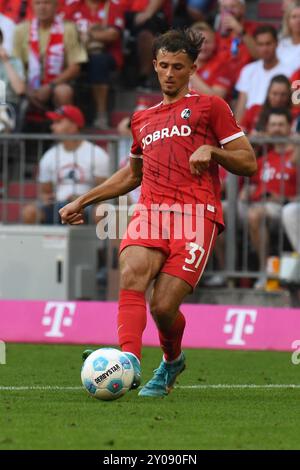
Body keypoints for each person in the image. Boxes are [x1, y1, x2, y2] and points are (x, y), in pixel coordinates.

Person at [59, 28, 256, 397]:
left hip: (196, 215)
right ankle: (128, 361)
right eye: (163, 65)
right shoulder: (142, 119)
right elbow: (132, 174)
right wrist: (83, 201)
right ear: (154, 65)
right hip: (151, 210)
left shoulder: (211, 107)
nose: (169, 73)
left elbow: (248, 161)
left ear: (192, 68)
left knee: (163, 307)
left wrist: (214, 152)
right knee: (131, 274)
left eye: (177, 66)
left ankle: (171, 361)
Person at [239, 109, 297, 289]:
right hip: (258, 205)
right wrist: (246, 192)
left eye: (281, 125)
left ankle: (265, 272)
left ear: (289, 128)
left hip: (285, 207)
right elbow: (251, 186)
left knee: (255, 215)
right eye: (273, 125)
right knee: (222, 210)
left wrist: (284, 198)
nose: (277, 129)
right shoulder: (264, 157)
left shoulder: (295, 156)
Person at [22, 105, 110, 224]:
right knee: (29, 212)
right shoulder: (49, 156)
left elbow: (104, 191)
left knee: (98, 210)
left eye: (58, 122)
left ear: (73, 126)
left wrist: (80, 200)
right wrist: (47, 198)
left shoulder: (97, 153)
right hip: (58, 204)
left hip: (87, 205)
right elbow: (45, 192)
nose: (52, 126)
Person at [13, 0, 87, 113]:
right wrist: (27, 89)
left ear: (56, 6)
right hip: (28, 85)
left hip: (57, 84)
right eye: (38, 3)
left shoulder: (68, 28)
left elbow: (75, 67)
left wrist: (50, 86)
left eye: (47, 3)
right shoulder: (21, 30)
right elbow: (16, 66)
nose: (42, 7)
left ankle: (63, 125)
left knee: (63, 92)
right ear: (32, 6)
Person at [64, 0, 125, 129]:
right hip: (76, 52)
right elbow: (64, 31)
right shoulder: (73, 7)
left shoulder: (113, 6)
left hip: (106, 54)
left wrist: (88, 34)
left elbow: (113, 35)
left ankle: (101, 114)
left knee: (98, 61)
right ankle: (67, 118)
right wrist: (97, 33)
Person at [235, 25, 294, 124]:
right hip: (249, 123)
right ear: (256, 46)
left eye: (268, 44)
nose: (265, 49)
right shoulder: (247, 70)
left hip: (276, 123)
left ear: (277, 44)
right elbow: (241, 106)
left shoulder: (290, 71)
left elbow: (291, 105)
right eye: (260, 44)